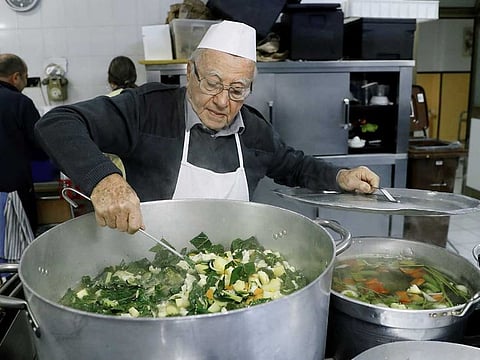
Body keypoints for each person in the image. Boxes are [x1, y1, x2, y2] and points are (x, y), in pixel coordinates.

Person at [35, 21, 380, 235]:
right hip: (148, 266)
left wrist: (340, 177)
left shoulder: (255, 131)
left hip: (231, 273)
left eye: (236, 90)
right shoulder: (147, 109)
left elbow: (295, 164)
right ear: (190, 72)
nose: (221, 102)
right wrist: (104, 179)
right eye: (212, 83)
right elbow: (57, 124)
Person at [0, 53, 48, 260]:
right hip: (13, 193)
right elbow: (40, 146)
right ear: (16, 77)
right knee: (19, 255)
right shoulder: (20, 103)